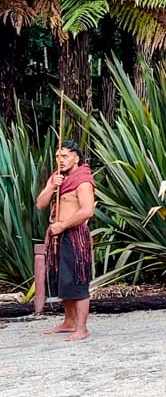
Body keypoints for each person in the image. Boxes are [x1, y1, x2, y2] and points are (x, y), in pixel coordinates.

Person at [36, 140, 95, 341]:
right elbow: (40, 204)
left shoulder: (83, 180)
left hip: (74, 235)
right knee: (62, 279)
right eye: (57, 156)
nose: (60, 160)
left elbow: (87, 210)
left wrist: (63, 225)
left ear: (76, 158)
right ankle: (69, 321)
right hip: (57, 235)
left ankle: (82, 328)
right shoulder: (57, 178)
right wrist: (52, 187)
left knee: (77, 281)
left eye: (65, 156)